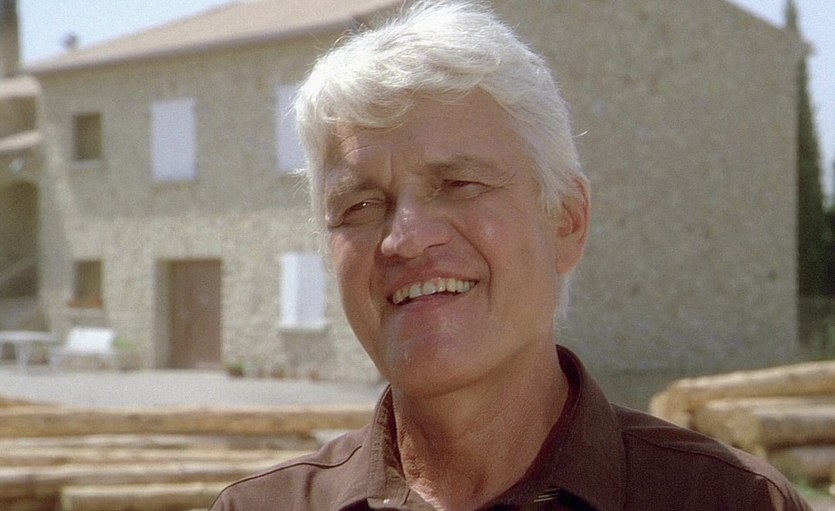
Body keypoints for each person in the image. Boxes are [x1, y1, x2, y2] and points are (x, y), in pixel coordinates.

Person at [211, 1, 812, 509]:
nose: (406, 238)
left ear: (567, 222)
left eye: (459, 184)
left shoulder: (731, 499)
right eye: (361, 206)